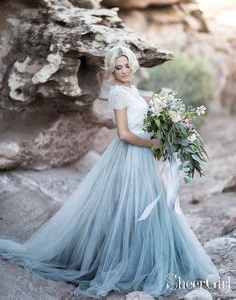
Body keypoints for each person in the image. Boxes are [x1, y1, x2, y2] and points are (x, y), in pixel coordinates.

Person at [0, 45, 220, 299]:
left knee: (153, 207)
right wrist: (153, 143)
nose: (124, 70)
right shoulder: (117, 92)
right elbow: (124, 133)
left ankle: (150, 260)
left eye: (127, 65)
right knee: (133, 208)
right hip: (130, 156)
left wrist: (165, 132)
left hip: (144, 155)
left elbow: (143, 123)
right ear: (112, 69)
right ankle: (124, 264)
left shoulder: (132, 89)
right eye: (119, 67)